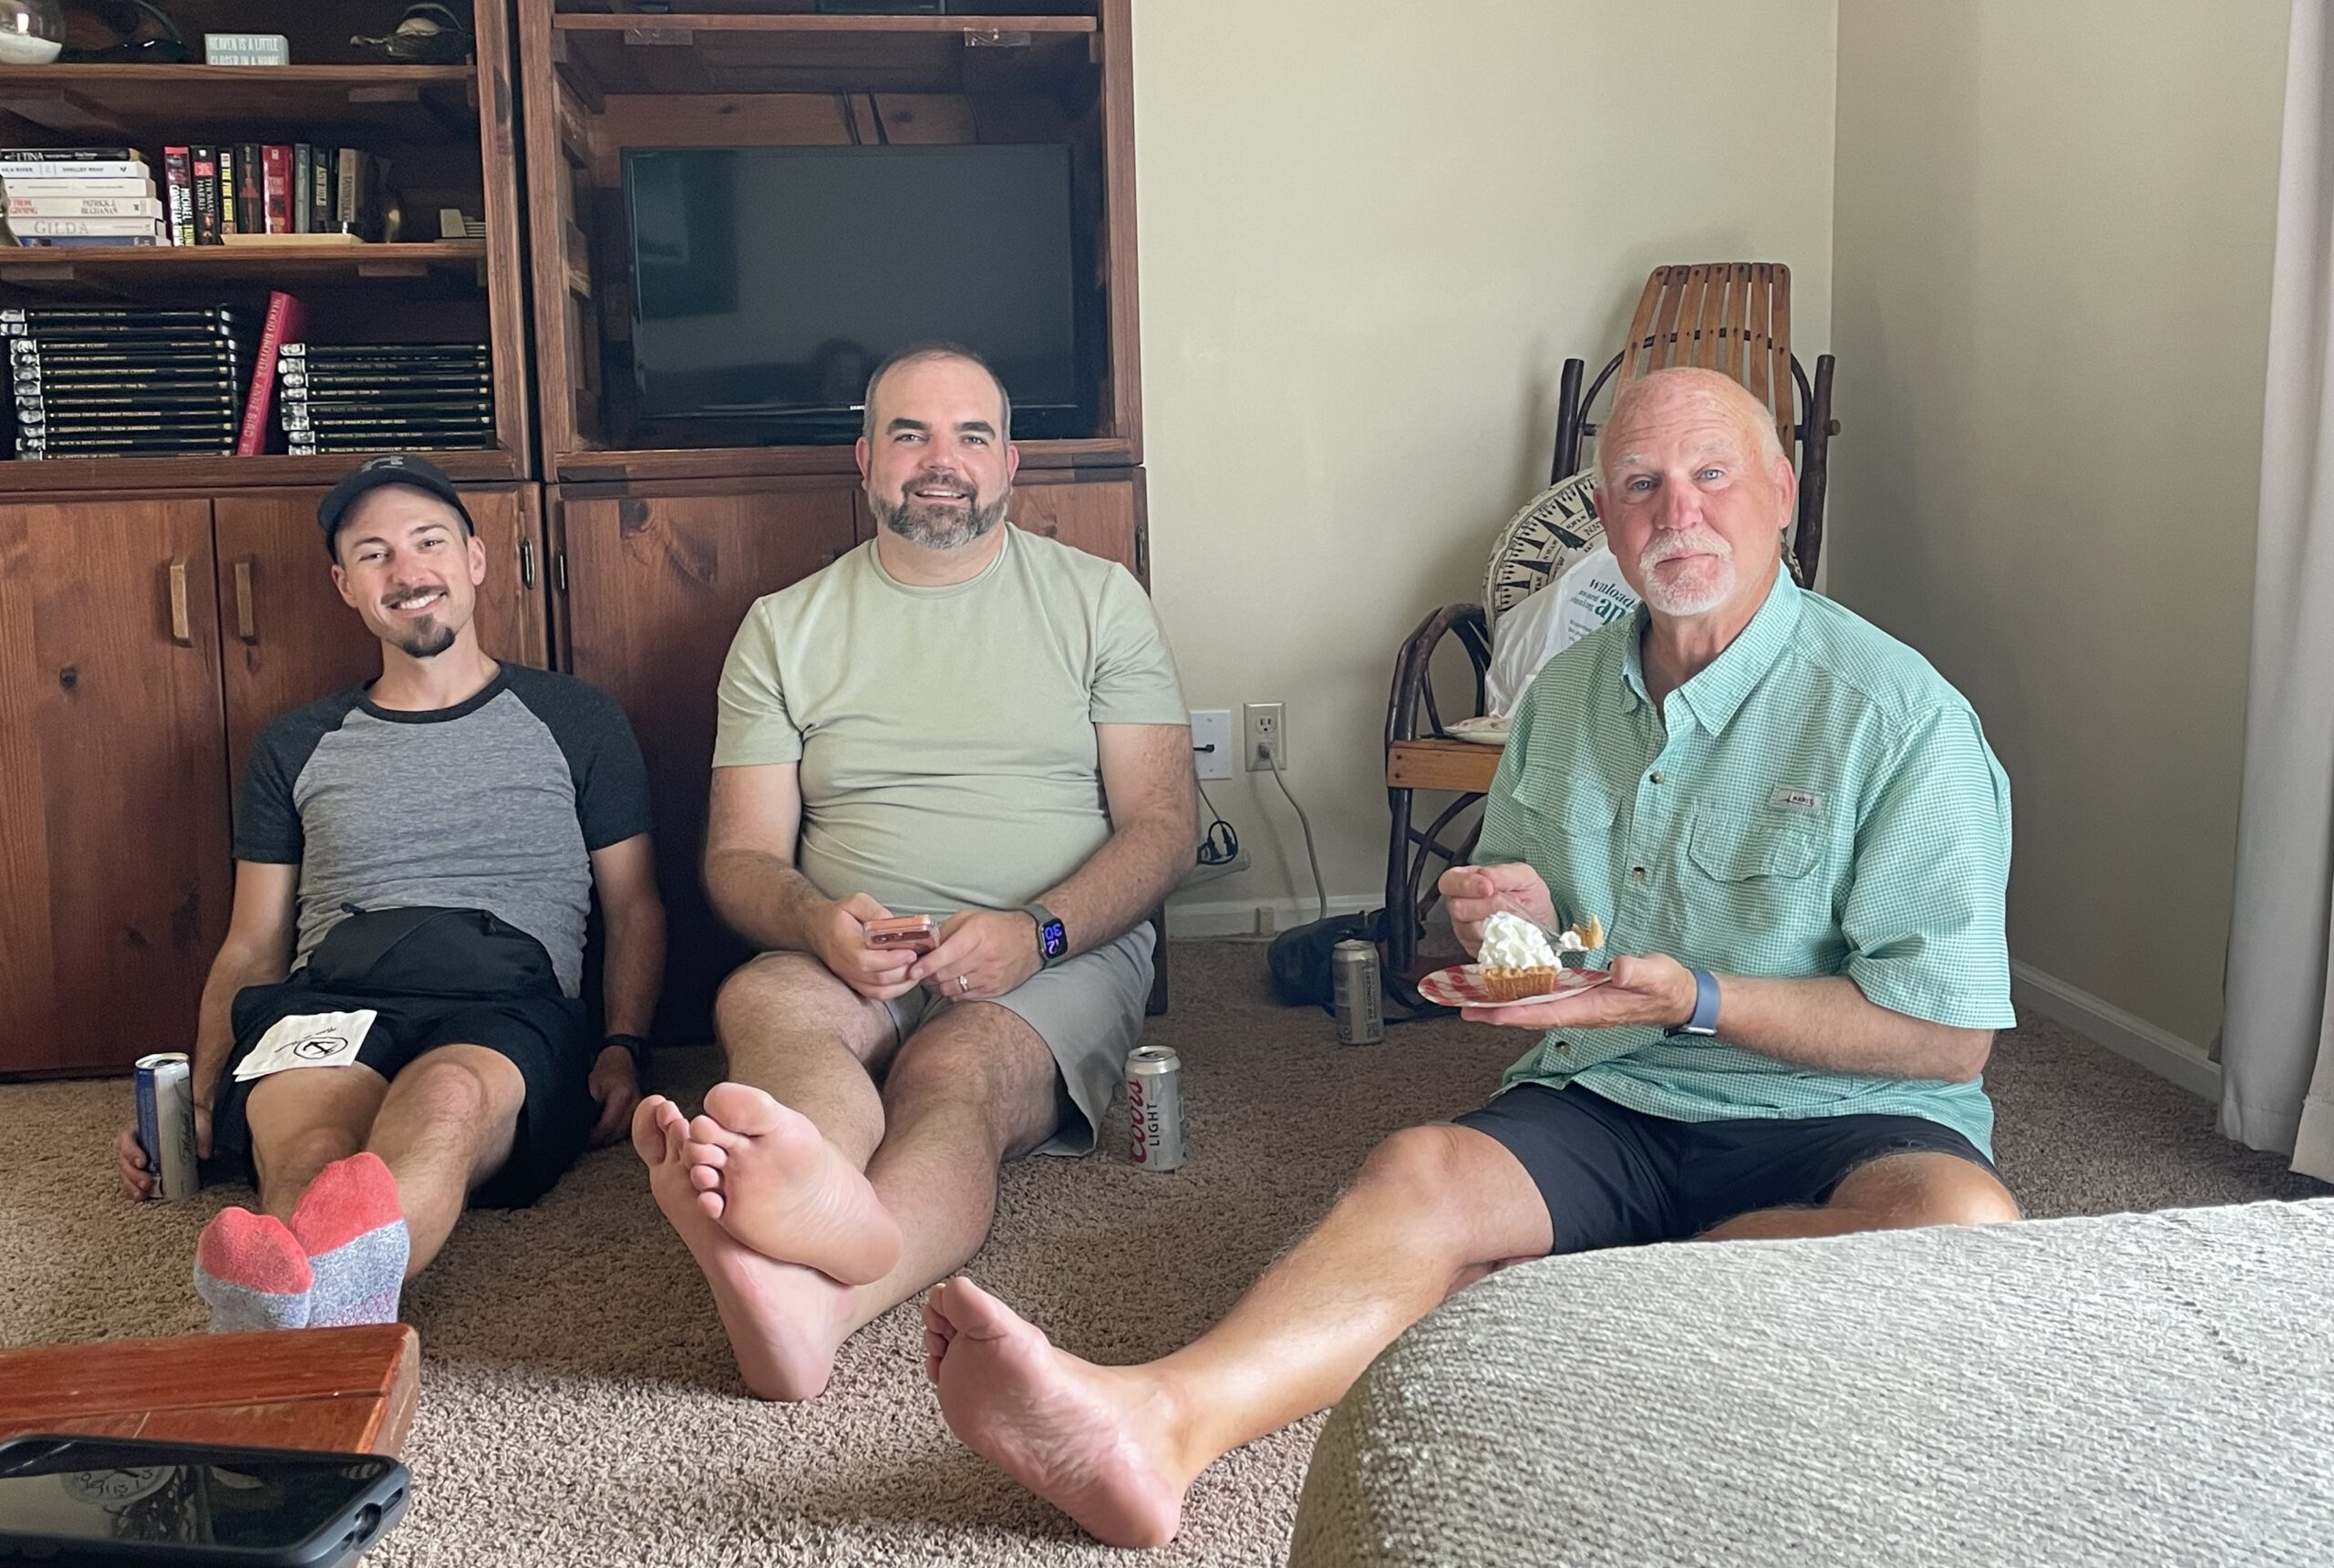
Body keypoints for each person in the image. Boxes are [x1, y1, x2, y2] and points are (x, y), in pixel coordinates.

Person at [924, 366, 2022, 1547]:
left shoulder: (1899, 716)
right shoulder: (1563, 698)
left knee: (1965, 1227)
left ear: (1782, 492)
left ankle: (1576, 1286)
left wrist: (1697, 999)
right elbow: (1537, 941)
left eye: (1712, 475)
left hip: (1844, 1119)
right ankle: (1156, 1422)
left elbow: (1946, 1037)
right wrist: (1504, 922)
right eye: (1640, 484)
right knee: (1419, 1173)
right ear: (1605, 517)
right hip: (1613, 1099)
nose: (1678, 512)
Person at [631, 343, 1193, 1401]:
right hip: (851, 952)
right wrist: (815, 924)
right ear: (865, 459)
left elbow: (1163, 827)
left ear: (1008, 463)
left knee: (954, 1076)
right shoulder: (784, 628)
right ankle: (804, 1188)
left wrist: (1039, 932)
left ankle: (821, 1300)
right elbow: (740, 859)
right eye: (910, 433)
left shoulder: (1099, 601)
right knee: (767, 1006)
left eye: (971, 435)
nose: (942, 459)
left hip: (1056, 953)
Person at [119, 454, 666, 1333]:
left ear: (475, 560)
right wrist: (202, 1095)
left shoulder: (578, 719)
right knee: (312, 1152)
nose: (407, 572)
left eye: (428, 542)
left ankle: (284, 1321)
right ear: (345, 585)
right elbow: (252, 944)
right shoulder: (293, 744)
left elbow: (634, 904)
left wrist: (623, 1046)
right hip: (327, 998)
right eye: (373, 555)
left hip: (504, 1001)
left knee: (446, 1102)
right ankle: (316, 1315)